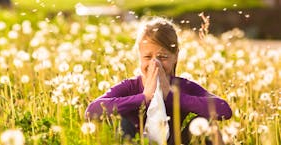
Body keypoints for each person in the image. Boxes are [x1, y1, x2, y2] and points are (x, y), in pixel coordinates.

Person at [85, 17, 232, 145]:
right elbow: (92, 111)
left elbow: (224, 110)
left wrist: (171, 96)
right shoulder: (130, 86)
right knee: (121, 123)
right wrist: (144, 98)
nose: (155, 64)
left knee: (209, 126)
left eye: (163, 57)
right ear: (139, 56)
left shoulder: (182, 86)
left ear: (175, 56)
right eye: (147, 57)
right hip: (135, 141)